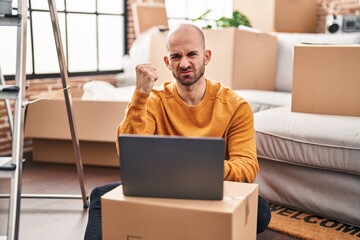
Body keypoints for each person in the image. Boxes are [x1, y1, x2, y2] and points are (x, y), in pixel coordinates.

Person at [84, 23, 271, 240]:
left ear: (206, 57)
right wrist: (140, 94)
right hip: (164, 187)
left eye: (192, 54)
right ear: (167, 62)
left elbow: (247, 167)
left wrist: (199, 171)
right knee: (99, 197)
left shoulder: (235, 105)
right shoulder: (154, 99)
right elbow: (129, 150)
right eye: (176, 56)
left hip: (214, 190)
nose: (184, 63)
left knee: (260, 211)